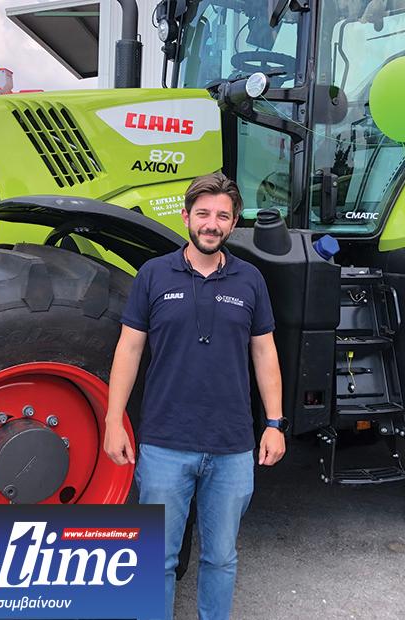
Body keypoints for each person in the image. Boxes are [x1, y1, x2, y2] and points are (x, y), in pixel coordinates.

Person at [104, 171, 286, 620]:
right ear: (186, 217)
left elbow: (264, 352)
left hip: (231, 447)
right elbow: (129, 348)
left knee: (221, 558)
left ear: (234, 223)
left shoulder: (250, 280)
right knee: (158, 560)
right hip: (165, 444)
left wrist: (275, 424)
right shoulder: (153, 275)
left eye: (222, 216)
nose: (212, 224)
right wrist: (113, 420)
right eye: (203, 213)